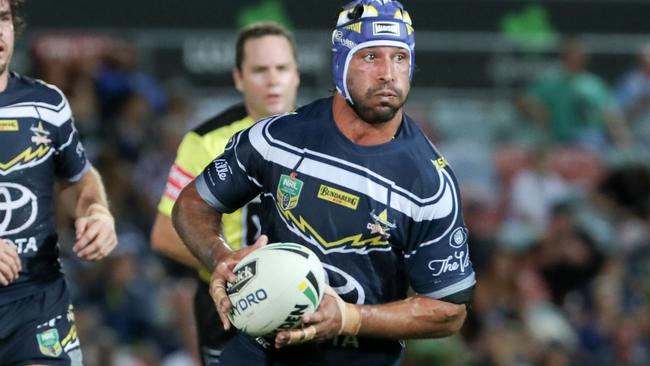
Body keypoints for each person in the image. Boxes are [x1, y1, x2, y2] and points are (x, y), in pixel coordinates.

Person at [172, 1, 475, 365]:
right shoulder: (276, 139)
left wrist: (349, 318)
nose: (388, 74)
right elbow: (193, 202)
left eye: (400, 58)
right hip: (260, 351)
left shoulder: (429, 184)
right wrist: (218, 255)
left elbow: (448, 310)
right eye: (370, 57)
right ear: (340, 63)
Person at [150, 22, 300, 365]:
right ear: (238, 78)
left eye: (282, 68)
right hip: (229, 303)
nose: (272, 79)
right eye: (260, 70)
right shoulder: (204, 140)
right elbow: (164, 234)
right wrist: (232, 263)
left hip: (301, 304)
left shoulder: (320, 140)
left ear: (297, 75)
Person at [0, 1, 118, 365]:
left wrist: (96, 210)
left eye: (3, 18)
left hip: (36, 301)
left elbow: (79, 178)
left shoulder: (46, 103)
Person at [520, 36, 630, 150]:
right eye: (573, 54)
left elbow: (610, 113)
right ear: (564, 56)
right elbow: (525, 100)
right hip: (556, 139)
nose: (578, 58)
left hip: (588, 139)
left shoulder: (593, 84)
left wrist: (622, 139)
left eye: (581, 55)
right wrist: (537, 112)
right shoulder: (549, 81)